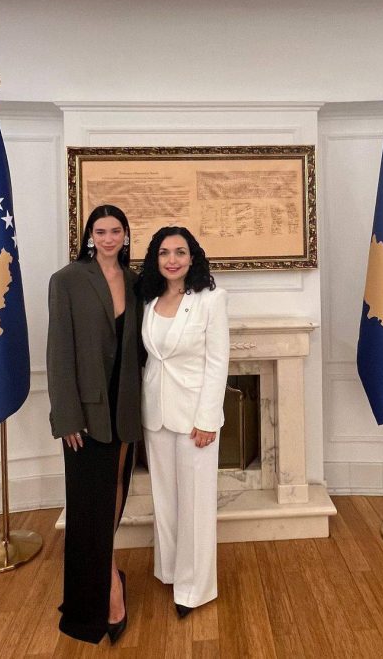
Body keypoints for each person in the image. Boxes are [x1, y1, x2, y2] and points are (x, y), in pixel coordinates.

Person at [47, 204, 142, 645]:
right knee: (88, 502)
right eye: (100, 231)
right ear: (89, 235)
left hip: (126, 405)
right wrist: (66, 415)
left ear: (126, 235)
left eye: (115, 231)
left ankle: (108, 570)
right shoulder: (67, 280)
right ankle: (107, 588)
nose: (108, 238)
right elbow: (58, 352)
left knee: (115, 488)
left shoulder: (137, 282)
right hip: (85, 413)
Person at [138, 226, 229, 617]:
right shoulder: (149, 298)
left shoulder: (211, 299)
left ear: (192, 257)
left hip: (195, 418)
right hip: (155, 415)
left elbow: (218, 362)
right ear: (155, 258)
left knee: (196, 505)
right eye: (164, 252)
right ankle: (172, 571)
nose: (171, 259)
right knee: (166, 500)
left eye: (179, 252)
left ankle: (195, 589)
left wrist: (208, 418)